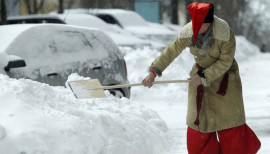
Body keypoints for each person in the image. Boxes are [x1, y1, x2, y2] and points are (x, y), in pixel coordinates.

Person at [142, 2, 261, 154]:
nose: (196, 29)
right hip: (199, 80)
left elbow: (225, 61)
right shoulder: (190, 31)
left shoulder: (224, 33)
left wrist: (205, 76)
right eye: (194, 24)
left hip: (224, 81)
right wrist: (153, 72)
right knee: (199, 126)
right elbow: (171, 51)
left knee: (230, 128)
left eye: (200, 25)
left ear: (209, 23)